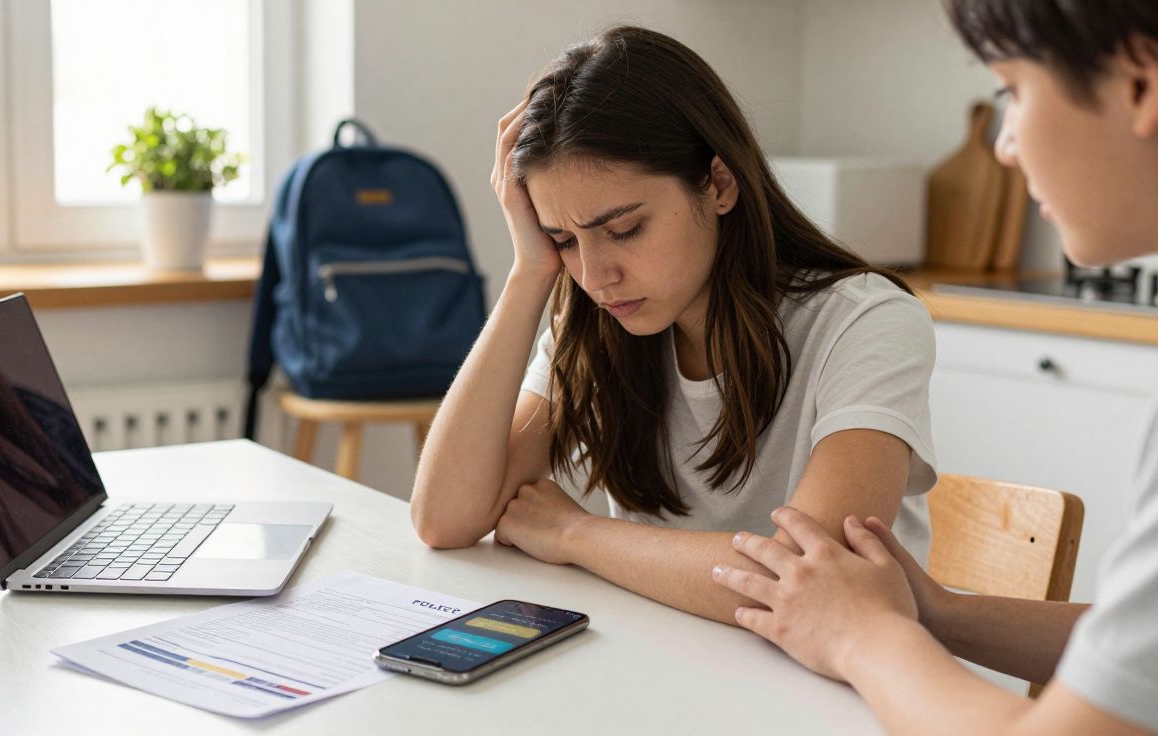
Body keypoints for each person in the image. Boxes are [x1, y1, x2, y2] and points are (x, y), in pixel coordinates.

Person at [712, 1, 1158, 732]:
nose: (1006, 145)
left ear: (1139, 84)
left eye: (1011, 90)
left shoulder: (867, 313)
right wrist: (935, 611)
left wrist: (862, 635)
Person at [411, 25, 938, 626]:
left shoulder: (865, 323)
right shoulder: (595, 317)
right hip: (676, 664)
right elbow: (442, 519)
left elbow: (801, 582)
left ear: (717, 183)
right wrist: (529, 271)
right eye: (564, 240)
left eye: (624, 229)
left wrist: (576, 534)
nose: (595, 275)